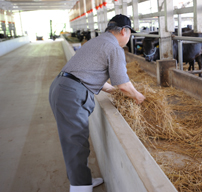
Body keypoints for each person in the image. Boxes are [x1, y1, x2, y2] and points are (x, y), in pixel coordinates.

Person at [49, 14, 146, 192]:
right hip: (71, 94)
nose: (129, 37)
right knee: (76, 143)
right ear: (124, 31)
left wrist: (112, 91)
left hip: (62, 87)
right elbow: (123, 84)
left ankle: (82, 180)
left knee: (74, 141)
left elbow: (90, 72)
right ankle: (80, 188)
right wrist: (138, 96)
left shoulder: (97, 41)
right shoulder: (114, 47)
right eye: (130, 33)